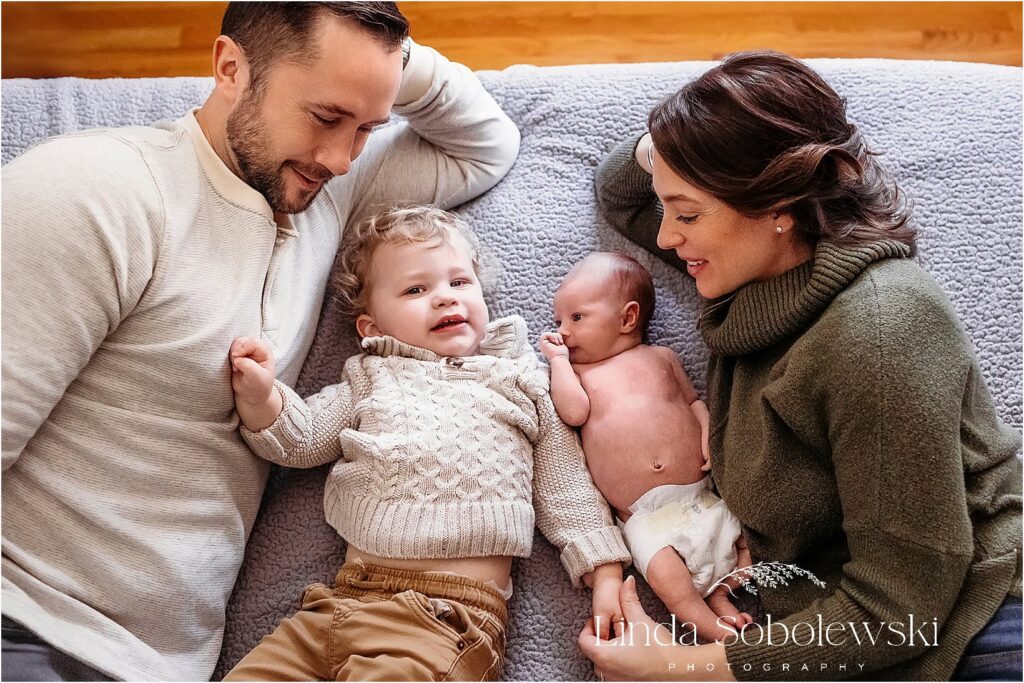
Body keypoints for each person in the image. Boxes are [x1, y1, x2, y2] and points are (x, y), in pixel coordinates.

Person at [1, 3, 520, 680]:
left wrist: (379, 66)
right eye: (326, 116)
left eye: (368, 127)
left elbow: (485, 145)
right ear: (230, 67)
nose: (340, 156)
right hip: (28, 628)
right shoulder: (95, 190)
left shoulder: (322, 195)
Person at [578, 50, 1022, 681]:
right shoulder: (758, 265)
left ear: (777, 204)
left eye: (688, 214)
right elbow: (621, 189)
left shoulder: (880, 333)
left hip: (977, 632)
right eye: (669, 208)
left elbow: (900, 607)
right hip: (834, 626)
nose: (667, 238)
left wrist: (680, 668)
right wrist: (694, 137)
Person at [223, 206, 631, 680]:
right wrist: (261, 398)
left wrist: (604, 572)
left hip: (445, 618)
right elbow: (302, 441)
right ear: (372, 328)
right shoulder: (368, 377)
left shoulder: (521, 379)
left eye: (459, 282)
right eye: (416, 289)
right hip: (335, 605)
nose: (443, 298)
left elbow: (566, 485)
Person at [539, 252, 752, 643]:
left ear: (627, 318)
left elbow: (693, 402)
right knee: (670, 580)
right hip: (645, 518)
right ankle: (708, 625)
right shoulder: (581, 373)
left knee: (746, 542)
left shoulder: (663, 358)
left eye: (577, 318)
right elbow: (572, 412)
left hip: (701, 497)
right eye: (559, 322)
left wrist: (707, 430)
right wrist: (558, 364)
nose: (563, 332)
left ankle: (722, 595)